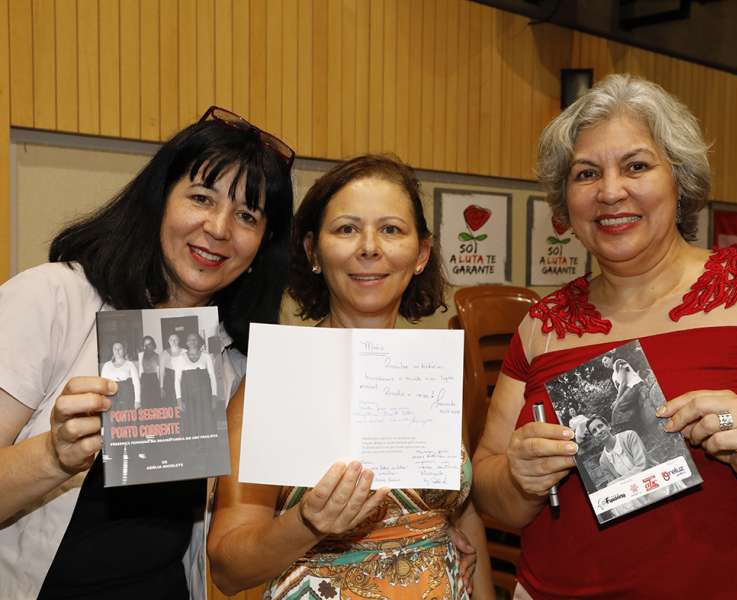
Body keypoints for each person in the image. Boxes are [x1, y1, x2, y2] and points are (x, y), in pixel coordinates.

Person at [472, 74, 737, 598]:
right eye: (585, 173)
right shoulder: (542, 325)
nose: (609, 191)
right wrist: (518, 476)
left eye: (637, 166)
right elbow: (490, 497)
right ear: (564, 201)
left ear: (680, 178)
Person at [0, 106, 294, 599]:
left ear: (261, 248)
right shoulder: (53, 300)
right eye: (201, 197)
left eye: (248, 215)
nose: (219, 228)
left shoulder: (235, 363)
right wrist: (53, 455)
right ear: (159, 202)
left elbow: (235, 543)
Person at [208, 155, 493, 599]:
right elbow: (227, 567)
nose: (369, 247)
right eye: (346, 228)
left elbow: (462, 511)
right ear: (312, 251)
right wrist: (306, 524)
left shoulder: (430, 370)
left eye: (392, 229)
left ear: (421, 254)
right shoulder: (277, 377)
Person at [175, 332, 218, 437]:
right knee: (191, 420)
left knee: (206, 419)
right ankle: (194, 448)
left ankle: (206, 447)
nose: (192, 342)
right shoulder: (181, 358)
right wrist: (179, 399)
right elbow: (177, 379)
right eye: (190, 339)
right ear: (186, 342)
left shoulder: (206, 356)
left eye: (195, 339)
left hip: (204, 395)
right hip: (188, 395)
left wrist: (214, 396)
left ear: (199, 342)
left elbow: (212, 377)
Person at [101, 341, 141, 410]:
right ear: (112, 351)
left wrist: (137, 401)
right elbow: (102, 384)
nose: (117, 350)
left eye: (120, 348)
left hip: (126, 398)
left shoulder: (130, 364)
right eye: (115, 349)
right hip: (111, 398)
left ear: (124, 350)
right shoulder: (107, 365)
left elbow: (136, 383)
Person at [162, 333, 186, 407]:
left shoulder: (185, 351)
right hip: (169, 378)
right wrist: (161, 387)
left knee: (182, 397)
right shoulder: (164, 353)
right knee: (171, 401)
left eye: (175, 339)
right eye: (171, 340)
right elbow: (161, 371)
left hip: (182, 377)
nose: (173, 341)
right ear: (169, 342)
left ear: (179, 341)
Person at [138, 335, 161, 408]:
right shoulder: (140, 355)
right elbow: (140, 369)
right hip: (144, 379)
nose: (147, 346)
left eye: (149, 344)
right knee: (145, 402)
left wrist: (160, 386)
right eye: (145, 344)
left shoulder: (157, 356)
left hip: (154, 379)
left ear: (153, 345)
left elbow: (159, 372)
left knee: (155, 402)